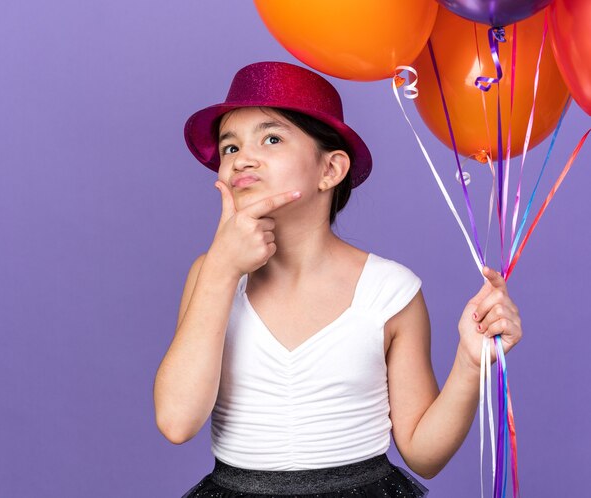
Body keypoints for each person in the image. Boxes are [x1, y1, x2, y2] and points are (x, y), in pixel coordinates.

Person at [153, 61, 523, 497]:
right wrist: (220, 267)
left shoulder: (390, 291)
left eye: (271, 138)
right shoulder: (210, 274)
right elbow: (177, 422)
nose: (242, 159)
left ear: (330, 170)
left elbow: (424, 454)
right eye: (229, 148)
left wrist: (470, 364)